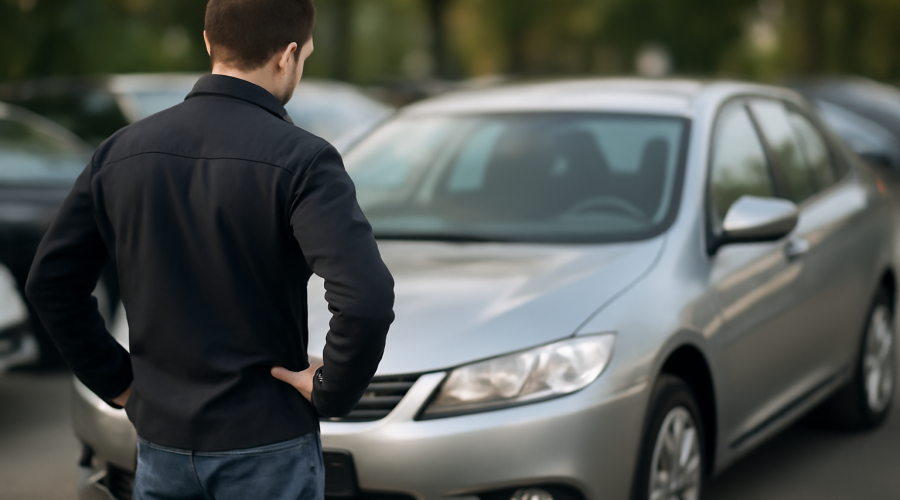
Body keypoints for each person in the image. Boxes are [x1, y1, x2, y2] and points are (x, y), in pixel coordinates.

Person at [25, 0, 395, 498]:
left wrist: (119, 383)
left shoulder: (119, 152)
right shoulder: (304, 160)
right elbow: (366, 299)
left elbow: (50, 284)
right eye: (304, 57)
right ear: (287, 56)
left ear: (207, 42)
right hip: (268, 444)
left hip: (161, 445)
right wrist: (332, 390)